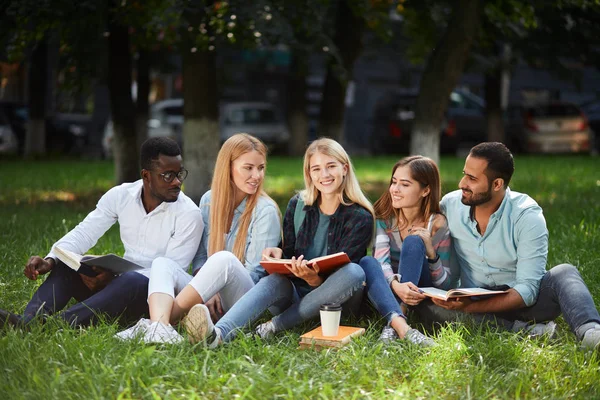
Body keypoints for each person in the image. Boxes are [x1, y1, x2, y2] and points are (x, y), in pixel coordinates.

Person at [182, 138, 374, 347]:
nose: (324, 175)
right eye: (316, 169)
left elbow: (343, 278)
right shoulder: (297, 205)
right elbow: (290, 253)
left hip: (334, 306)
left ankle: (273, 326)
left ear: (344, 169)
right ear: (309, 174)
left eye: (331, 166)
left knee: (355, 272)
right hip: (296, 298)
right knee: (274, 281)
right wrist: (278, 254)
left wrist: (314, 280)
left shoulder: (360, 216)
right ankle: (218, 335)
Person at [0, 137, 203, 328]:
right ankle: (30, 320)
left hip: (154, 299)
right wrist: (51, 259)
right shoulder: (121, 196)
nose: (177, 182)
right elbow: (84, 233)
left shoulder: (189, 215)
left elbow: (169, 274)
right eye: (168, 175)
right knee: (69, 265)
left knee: (131, 281)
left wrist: (114, 278)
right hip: (116, 286)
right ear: (146, 176)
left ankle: (44, 327)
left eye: (179, 174)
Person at [415, 142, 600, 350]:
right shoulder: (451, 205)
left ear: (497, 184)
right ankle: (528, 331)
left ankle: (591, 333)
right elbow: (415, 220)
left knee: (564, 273)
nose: (461, 183)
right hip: (472, 300)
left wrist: (473, 308)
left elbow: (527, 291)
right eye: (464, 174)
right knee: (429, 308)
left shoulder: (526, 215)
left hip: (525, 303)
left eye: (472, 178)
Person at [116, 133, 281, 343]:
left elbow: (255, 275)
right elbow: (201, 257)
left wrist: (216, 287)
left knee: (224, 260)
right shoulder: (209, 200)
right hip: (211, 295)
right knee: (162, 264)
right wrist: (208, 290)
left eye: (261, 168)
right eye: (248, 168)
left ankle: (152, 324)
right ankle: (160, 329)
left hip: (246, 299)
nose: (257, 175)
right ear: (227, 167)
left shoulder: (265, 210)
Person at [359, 156, 450, 346]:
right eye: (394, 182)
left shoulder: (438, 224)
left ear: (425, 190)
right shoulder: (384, 219)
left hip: (420, 293)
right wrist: (395, 286)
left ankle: (394, 324)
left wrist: (431, 253)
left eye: (405, 184)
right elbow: (381, 262)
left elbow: (444, 284)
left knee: (414, 241)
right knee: (367, 262)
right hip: (389, 290)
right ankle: (402, 326)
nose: (395, 189)